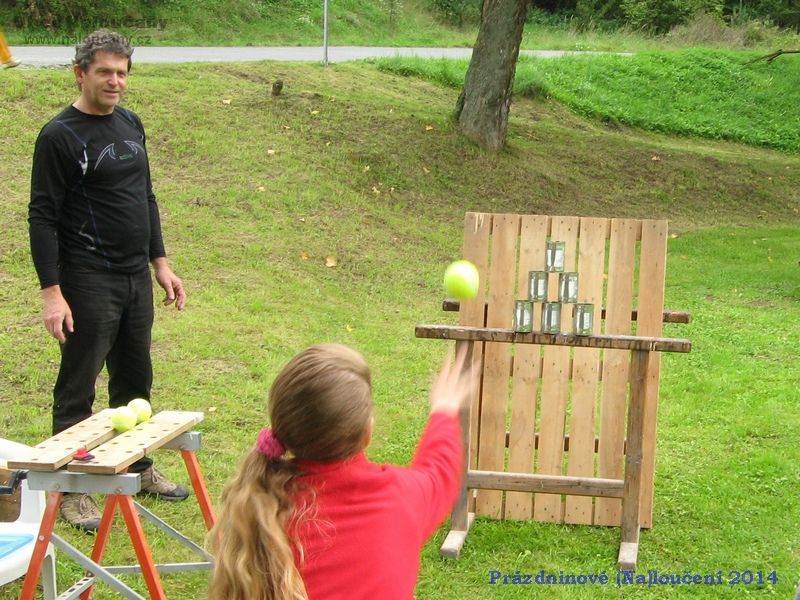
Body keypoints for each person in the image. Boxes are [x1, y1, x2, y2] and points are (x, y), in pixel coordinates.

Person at [28, 30, 189, 533]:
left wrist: (160, 262)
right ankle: (72, 489)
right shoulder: (60, 136)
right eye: (105, 72)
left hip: (134, 277)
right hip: (86, 278)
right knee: (78, 388)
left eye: (122, 72)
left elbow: (146, 197)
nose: (115, 81)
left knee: (135, 380)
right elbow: (42, 217)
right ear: (81, 73)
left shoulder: (129, 123)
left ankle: (137, 467)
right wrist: (52, 292)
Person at [208, 343, 475, 600]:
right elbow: (440, 471)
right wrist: (443, 411)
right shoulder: (400, 497)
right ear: (367, 434)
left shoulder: (263, 509)